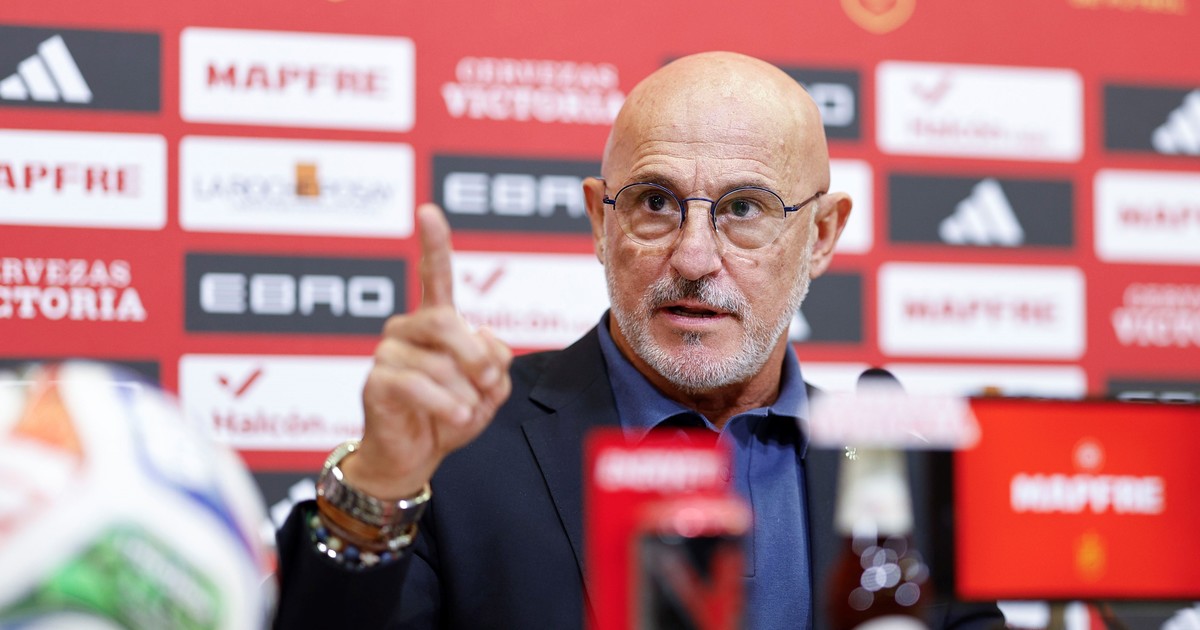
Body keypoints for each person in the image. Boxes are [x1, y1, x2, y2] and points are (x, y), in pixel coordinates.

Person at [273, 51, 1005, 629]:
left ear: (819, 236)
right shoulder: (461, 444)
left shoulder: (901, 477)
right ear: (601, 222)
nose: (694, 257)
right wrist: (379, 487)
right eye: (655, 202)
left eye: (743, 209)